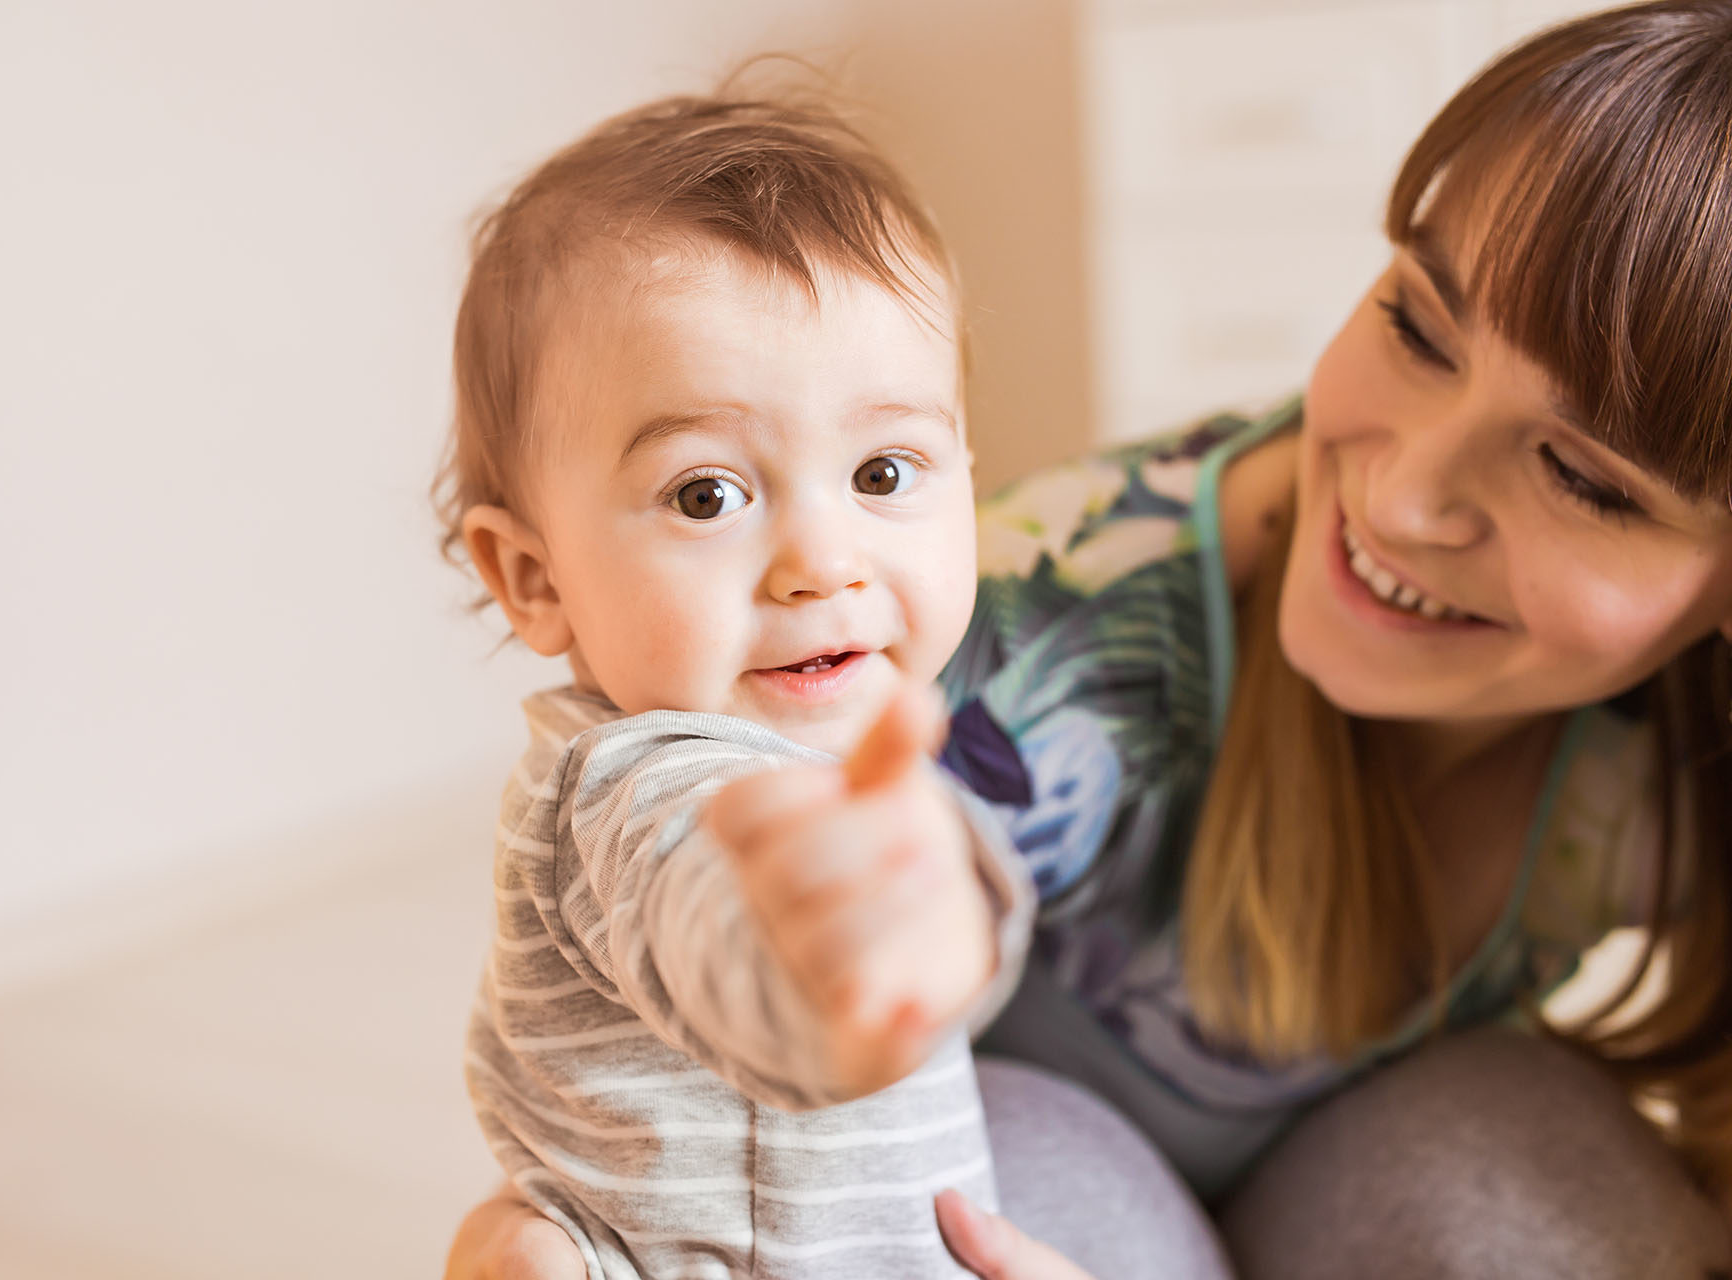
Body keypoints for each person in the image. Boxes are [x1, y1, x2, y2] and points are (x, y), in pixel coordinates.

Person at [447, 3, 1732, 1275]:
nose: (1400, 499)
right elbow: (702, 904)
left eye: (1585, 477)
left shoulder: (1674, 762)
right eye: (1415, 324)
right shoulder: (982, 663)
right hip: (1041, 1171)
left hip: (1368, 1150)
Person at [439, 86, 1037, 1279]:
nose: (824, 560)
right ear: (535, 576)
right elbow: (709, 912)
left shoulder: (870, 734)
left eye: (882, 469)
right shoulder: (634, 780)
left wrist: (941, 921)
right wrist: (830, 972)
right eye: (707, 493)